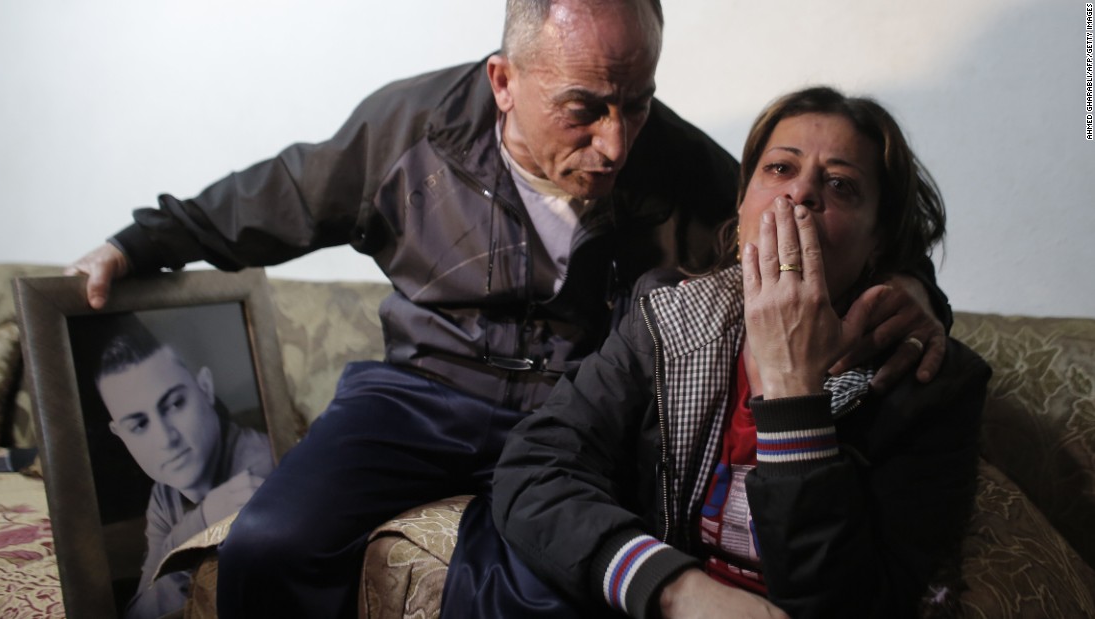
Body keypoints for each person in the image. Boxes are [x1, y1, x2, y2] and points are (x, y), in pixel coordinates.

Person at [68, 1, 951, 616]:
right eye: (585, 110)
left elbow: (810, 229)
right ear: (503, 81)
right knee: (268, 544)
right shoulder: (405, 131)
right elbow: (271, 199)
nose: (614, 143)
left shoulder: (672, 160)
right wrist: (134, 245)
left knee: (531, 588)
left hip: (576, 413)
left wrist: (916, 290)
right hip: (416, 394)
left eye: (636, 105)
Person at [492, 86, 991, 619]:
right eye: (779, 169)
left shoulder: (931, 385)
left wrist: (791, 387)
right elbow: (533, 468)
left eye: (840, 184)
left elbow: (850, 603)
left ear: (880, 241)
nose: (799, 193)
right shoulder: (666, 318)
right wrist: (672, 589)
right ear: (741, 200)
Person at [94, 317, 273, 619]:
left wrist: (179, 547)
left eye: (175, 404)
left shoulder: (264, 469)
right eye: (139, 424)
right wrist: (200, 524)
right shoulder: (164, 496)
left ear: (205, 387)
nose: (166, 439)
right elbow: (140, 612)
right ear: (121, 435)